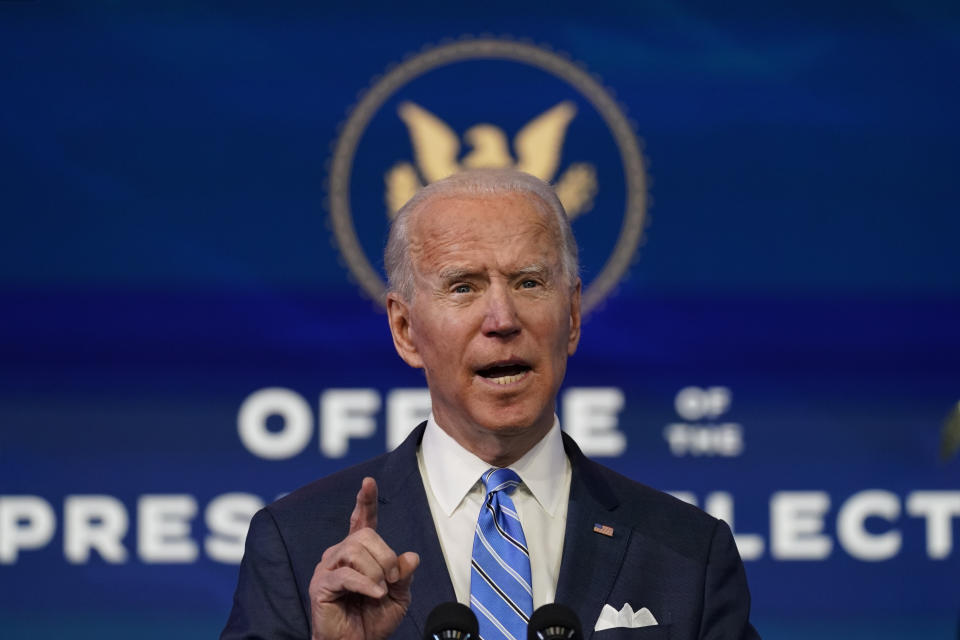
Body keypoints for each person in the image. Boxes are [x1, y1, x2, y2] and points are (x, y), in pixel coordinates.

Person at [221, 169, 760, 640]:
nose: (502, 319)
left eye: (529, 282)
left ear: (571, 316)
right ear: (405, 329)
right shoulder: (298, 545)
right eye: (463, 288)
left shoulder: (688, 553)